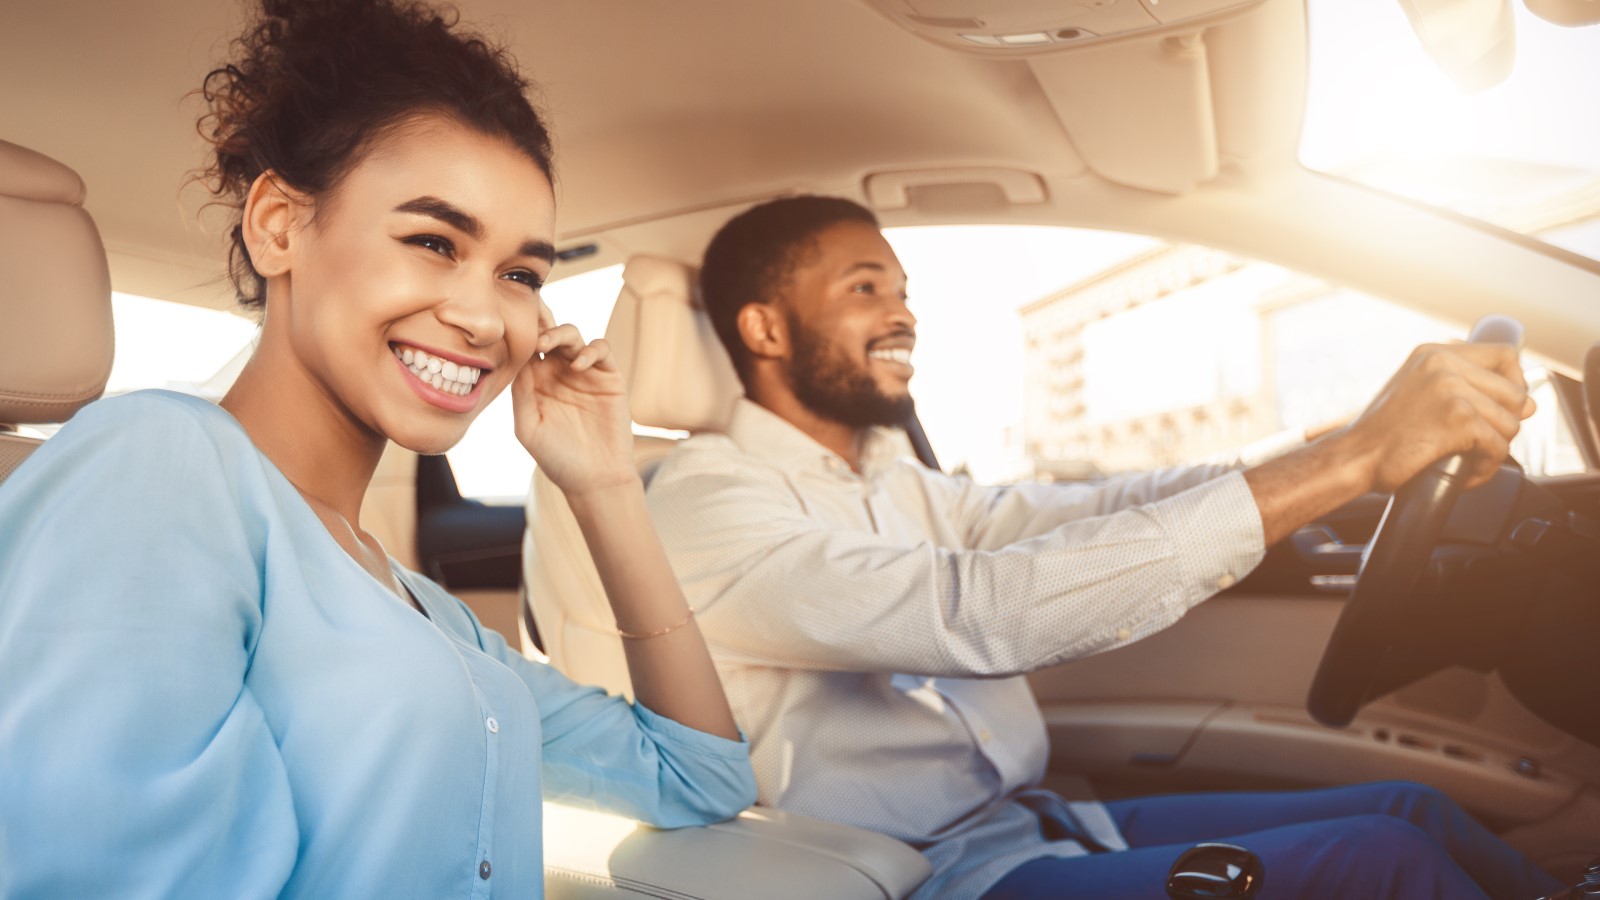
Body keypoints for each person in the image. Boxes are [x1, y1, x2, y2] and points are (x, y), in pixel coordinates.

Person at [0, 1, 755, 896]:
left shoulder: (420, 608)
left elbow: (700, 775)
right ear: (279, 225)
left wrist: (604, 482)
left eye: (520, 275)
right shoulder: (152, 465)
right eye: (433, 241)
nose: (484, 317)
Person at [643, 196, 1561, 899]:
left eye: (903, 290)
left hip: (1034, 819)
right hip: (925, 875)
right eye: (864, 289)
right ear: (764, 328)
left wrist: (1339, 449)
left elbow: (1094, 506)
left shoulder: (892, 476)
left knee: (1413, 806)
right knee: (1382, 858)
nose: (903, 314)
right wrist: (1352, 461)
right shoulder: (708, 506)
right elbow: (979, 611)